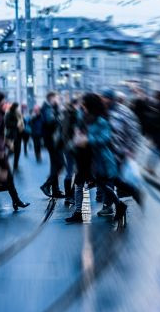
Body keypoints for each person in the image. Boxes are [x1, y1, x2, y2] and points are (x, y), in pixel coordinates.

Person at [66, 93, 126, 226]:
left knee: (102, 184)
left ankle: (119, 205)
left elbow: (105, 138)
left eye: (84, 103)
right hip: (83, 156)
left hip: (96, 158)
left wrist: (88, 140)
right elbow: (78, 132)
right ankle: (78, 213)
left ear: (89, 105)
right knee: (79, 184)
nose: (82, 105)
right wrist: (76, 138)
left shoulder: (101, 120)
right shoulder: (82, 117)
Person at [39, 92, 65, 198]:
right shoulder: (48, 108)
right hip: (52, 140)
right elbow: (50, 121)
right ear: (51, 98)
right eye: (57, 98)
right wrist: (59, 113)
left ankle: (55, 190)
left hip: (53, 139)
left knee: (55, 164)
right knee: (60, 163)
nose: (58, 100)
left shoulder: (50, 107)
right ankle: (47, 185)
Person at [6, 102, 24, 171]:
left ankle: (15, 164)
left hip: (19, 134)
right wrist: (16, 124)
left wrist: (22, 124)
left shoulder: (19, 114)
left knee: (18, 150)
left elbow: (22, 121)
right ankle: (6, 163)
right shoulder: (9, 113)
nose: (18, 108)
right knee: (11, 150)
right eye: (17, 107)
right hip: (12, 135)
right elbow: (7, 123)